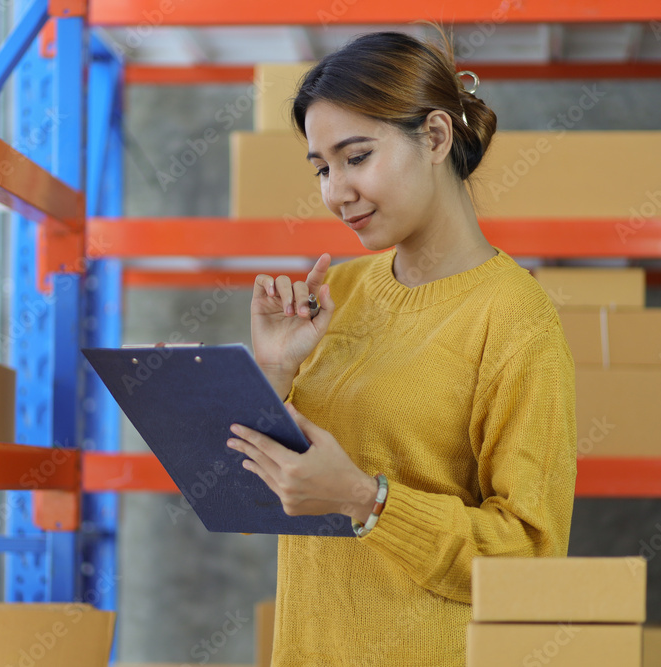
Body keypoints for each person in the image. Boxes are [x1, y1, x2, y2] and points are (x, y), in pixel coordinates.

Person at [224, 30, 577, 666]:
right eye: (323, 169)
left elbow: (529, 557)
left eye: (356, 157)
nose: (335, 192)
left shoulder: (516, 319)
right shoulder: (340, 293)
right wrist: (271, 374)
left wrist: (368, 499)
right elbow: (249, 506)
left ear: (436, 137)